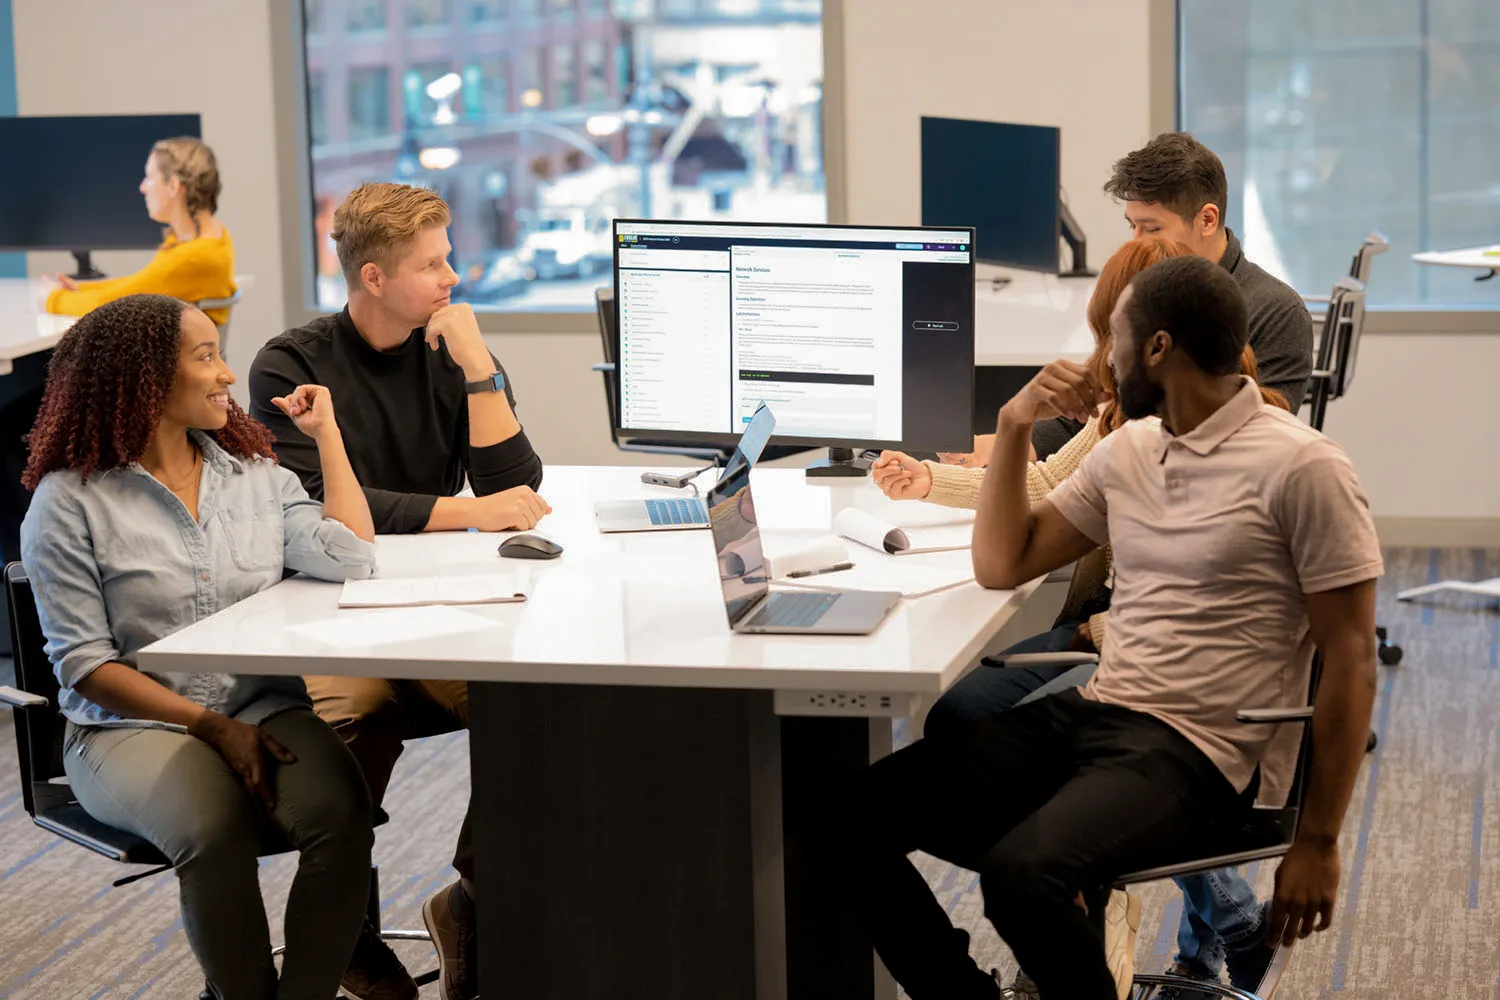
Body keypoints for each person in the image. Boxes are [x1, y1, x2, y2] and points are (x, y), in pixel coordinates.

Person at [818, 254, 1382, 1000]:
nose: (1104, 362)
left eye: (1114, 339)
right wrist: (1014, 424)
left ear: (1157, 347)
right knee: (844, 817)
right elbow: (1002, 562)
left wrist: (1318, 842)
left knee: (1023, 877)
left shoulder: (1304, 466)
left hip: (1205, 752)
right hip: (1100, 714)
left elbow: (1352, 657)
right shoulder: (1130, 450)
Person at [19, 294, 378, 1000]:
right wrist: (212, 727)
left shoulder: (253, 476)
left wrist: (329, 436)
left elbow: (354, 554)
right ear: (145, 378)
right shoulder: (69, 501)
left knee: (343, 816)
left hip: (262, 706)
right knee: (214, 832)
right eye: (206, 355)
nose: (227, 373)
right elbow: (86, 666)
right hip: (126, 728)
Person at [248, 182, 544, 1000]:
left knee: (534, 705)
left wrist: (480, 369)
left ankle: (472, 900)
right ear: (373, 277)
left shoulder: (454, 351)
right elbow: (324, 515)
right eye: (433, 263)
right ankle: (343, 927)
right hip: (330, 613)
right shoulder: (291, 363)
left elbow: (516, 484)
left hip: (440, 610)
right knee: (358, 715)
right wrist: (469, 513)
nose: (453, 276)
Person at [953, 131, 1313, 467]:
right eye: (1132, 225)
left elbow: (1257, 443)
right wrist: (1001, 445)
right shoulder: (1142, 292)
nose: (1135, 242)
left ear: (1207, 219)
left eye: (1152, 228)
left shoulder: (1277, 312)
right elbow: (1099, 406)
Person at [0, 138, 236, 573]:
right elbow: (137, 285)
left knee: (7, 427)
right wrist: (80, 289)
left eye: (150, 177)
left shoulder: (198, 255)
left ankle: (23, 563)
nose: (143, 187)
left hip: (147, 391)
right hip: (153, 381)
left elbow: (125, 298)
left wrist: (54, 299)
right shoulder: (198, 243)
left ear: (175, 187)